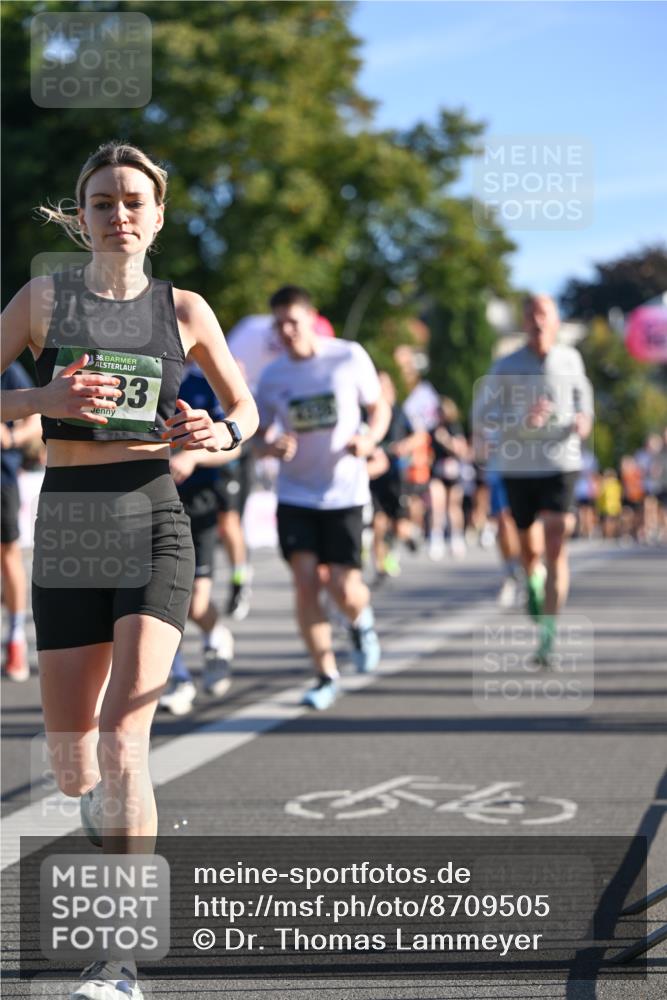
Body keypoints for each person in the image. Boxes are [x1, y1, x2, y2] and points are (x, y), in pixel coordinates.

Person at [0, 141, 257, 1000]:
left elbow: (245, 407)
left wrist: (219, 434)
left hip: (153, 520)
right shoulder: (43, 300)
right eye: (103, 201)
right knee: (77, 764)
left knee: (123, 741)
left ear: (156, 214)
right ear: (81, 217)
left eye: (133, 200)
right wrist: (42, 401)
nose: (119, 213)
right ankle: (96, 806)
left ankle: (118, 958)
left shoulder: (184, 309)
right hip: (67, 530)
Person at [254, 285, 390, 710]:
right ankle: (324, 673)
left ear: (312, 318)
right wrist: (270, 446)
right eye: (279, 324)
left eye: (293, 321)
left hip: (345, 492)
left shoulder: (348, 357)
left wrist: (368, 439)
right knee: (306, 581)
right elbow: (256, 434)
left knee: (346, 589)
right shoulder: (273, 376)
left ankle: (360, 621)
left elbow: (379, 408)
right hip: (295, 493)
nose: (287, 331)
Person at [475, 294, 593, 665]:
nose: (537, 321)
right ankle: (532, 579)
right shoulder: (505, 366)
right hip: (519, 467)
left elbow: (585, 403)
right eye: (530, 315)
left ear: (556, 321)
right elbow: (482, 418)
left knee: (557, 540)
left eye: (544, 314)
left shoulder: (571, 359)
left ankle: (548, 636)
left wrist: (582, 422)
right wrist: (521, 422)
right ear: (523, 323)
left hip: (561, 462)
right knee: (530, 551)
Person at [159, 359, 237, 716]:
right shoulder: (134, 366)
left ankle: (216, 635)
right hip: (146, 497)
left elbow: (235, 443)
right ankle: (179, 678)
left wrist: (193, 458)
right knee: (155, 598)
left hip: (198, 500)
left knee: (195, 603)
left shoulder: (205, 379)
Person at [1, 361, 42, 680]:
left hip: (2, 479)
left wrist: (11, 439)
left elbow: (38, 414)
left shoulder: (8, 365)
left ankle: (15, 639)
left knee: (7, 554)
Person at [369, 371, 420, 584]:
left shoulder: (400, 412)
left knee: (398, 526)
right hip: (374, 475)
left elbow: (418, 436)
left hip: (396, 476)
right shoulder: (367, 413)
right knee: (377, 522)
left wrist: (405, 446)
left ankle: (405, 536)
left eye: (383, 385)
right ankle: (381, 567)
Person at [428, 397, 468, 559]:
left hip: (453, 472)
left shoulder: (454, 428)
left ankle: (456, 538)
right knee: (437, 505)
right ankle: (436, 538)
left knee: (453, 507)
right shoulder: (433, 429)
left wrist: (446, 440)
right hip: (437, 472)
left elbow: (462, 450)